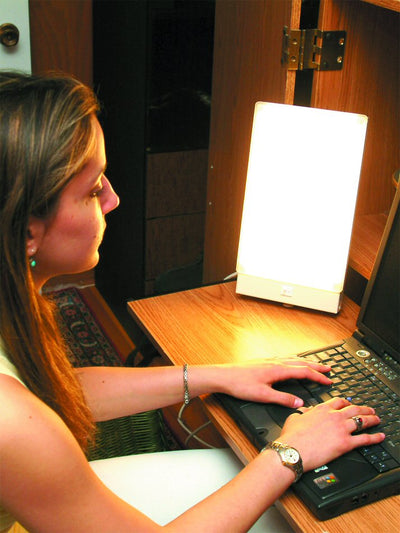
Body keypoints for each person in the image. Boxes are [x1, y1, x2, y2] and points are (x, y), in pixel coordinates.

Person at [0, 71, 385, 533]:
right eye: (94, 188)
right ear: (27, 231)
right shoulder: (9, 420)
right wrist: (290, 453)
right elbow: (24, 419)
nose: (113, 199)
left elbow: (52, 391)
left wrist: (214, 375)